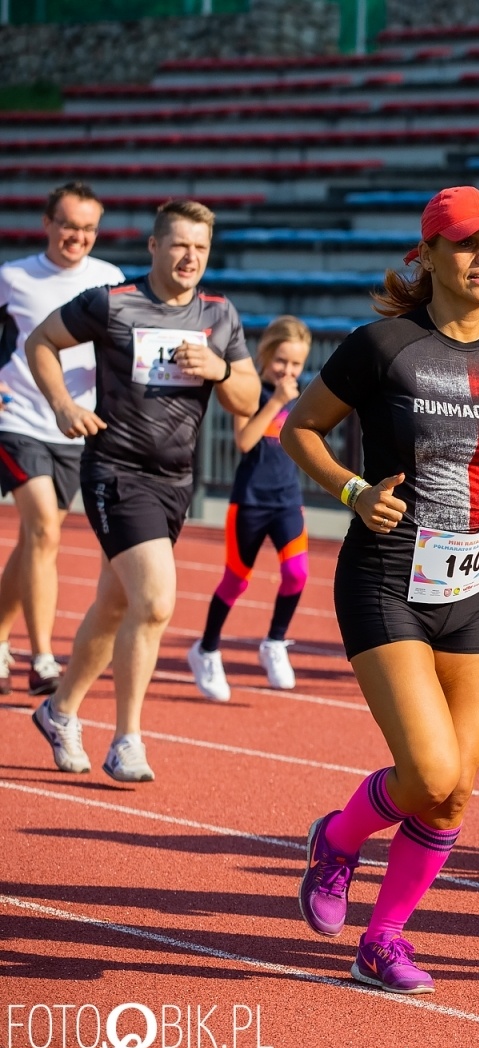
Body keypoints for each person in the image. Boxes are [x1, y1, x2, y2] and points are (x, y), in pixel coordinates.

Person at [281, 186, 479, 995]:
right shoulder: (381, 346)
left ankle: (384, 940)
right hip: (386, 575)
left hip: (475, 580)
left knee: (452, 795)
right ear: (430, 255)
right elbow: (298, 429)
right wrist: (350, 491)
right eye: (470, 244)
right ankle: (338, 840)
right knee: (430, 770)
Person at [27, 199, 260, 783]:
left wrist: (220, 369)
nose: (190, 257)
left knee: (115, 605)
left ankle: (59, 711)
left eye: (201, 248)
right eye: (180, 245)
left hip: (174, 481)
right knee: (154, 600)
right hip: (115, 469)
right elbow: (40, 342)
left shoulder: (219, 315)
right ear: (154, 247)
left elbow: (249, 400)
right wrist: (62, 405)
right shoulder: (113, 303)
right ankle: (127, 738)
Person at [0, 182, 125, 696]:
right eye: (69, 225)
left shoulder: (110, 280)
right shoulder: (12, 277)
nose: (78, 236)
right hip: (19, 418)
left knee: (36, 538)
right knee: (44, 530)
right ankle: (44, 658)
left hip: (80, 429)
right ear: (47, 224)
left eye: (88, 228)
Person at [187, 315, 312, 700]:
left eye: (295, 365)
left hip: (288, 499)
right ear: (264, 356)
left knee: (297, 574)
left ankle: (274, 642)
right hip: (250, 501)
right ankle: (206, 649)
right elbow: (244, 440)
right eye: (281, 362)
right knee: (236, 581)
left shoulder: (302, 394)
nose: (288, 371)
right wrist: (275, 400)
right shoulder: (249, 390)